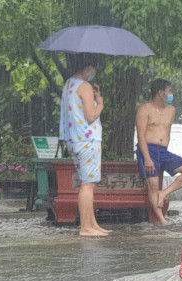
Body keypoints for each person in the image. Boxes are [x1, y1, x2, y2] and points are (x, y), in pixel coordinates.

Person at [136, 79, 182, 225]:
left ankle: (164, 193)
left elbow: (167, 131)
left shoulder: (171, 110)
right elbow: (140, 136)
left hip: (163, 150)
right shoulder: (144, 109)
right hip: (148, 149)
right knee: (153, 185)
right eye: (169, 91)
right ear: (160, 92)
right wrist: (147, 158)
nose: (171, 94)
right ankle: (162, 220)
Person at [59, 54, 108, 236]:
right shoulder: (85, 86)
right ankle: (85, 227)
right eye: (93, 69)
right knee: (87, 184)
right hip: (88, 140)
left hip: (74, 139)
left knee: (87, 183)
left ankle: (92, 223)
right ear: (88, 68)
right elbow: (90, 115)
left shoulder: (69, 84)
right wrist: (100, 103)